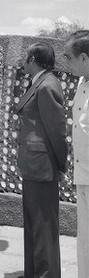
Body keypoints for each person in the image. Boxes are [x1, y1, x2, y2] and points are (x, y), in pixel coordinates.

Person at [15, 42, 68, 278]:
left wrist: (60, 165)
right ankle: (33, 273)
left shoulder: (47, 86)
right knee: (34, 224)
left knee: (43, 227)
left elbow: (57, 130)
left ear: (34, 59)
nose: (22, 61)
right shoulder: (38, 82)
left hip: (43, 166)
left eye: (25, 57)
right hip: (34, 166)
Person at [64, 30, 89, 278]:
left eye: (69, 57)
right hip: (83, 176)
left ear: (84, 58)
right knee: (84, 243)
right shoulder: (82, 83)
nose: (66, 63)